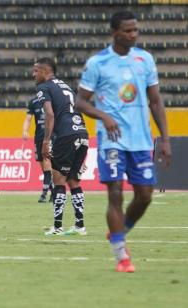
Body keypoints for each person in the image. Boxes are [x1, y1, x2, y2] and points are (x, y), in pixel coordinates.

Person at [76, 11, 171, 273]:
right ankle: (122, 256)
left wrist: (164, 138)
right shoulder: (98, 63)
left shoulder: (145, 60)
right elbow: (80, 100)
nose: (133, 34)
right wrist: (104, 116)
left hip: (140, 139)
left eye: (135, 30)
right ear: (114, 32)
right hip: (112, 140)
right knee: (115, 193)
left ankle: (119, 231)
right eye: (128, 30)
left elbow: (155, 100)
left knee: (145, 196)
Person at [33, 58, 89, 237]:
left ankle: (57, 227)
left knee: (59, 181)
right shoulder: (66, 86)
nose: (33, 75)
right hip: (82, 133)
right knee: (73, 181)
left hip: (66, 136)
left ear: (44, 71)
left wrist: (45, 142)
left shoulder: (44, 87)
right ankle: (80, 226)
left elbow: (49, 115)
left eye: (36, 71)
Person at [22, 96, 54, 203]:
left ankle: (44, 194)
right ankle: (53, 192)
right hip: (39, 137)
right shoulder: (33, 102)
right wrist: (25, 130)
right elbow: (28, 119)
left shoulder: (52, 100)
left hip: (50, 136)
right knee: (43, 165)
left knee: (47, 162)